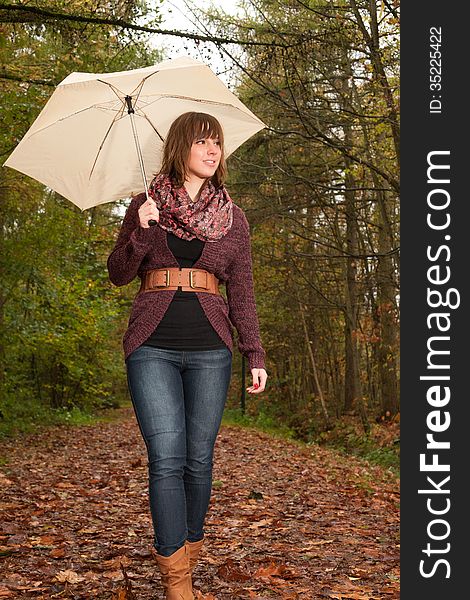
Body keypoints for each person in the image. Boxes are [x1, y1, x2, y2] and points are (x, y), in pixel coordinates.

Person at [107, 111, 267, 599]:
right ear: (180, 147)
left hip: (210, 349)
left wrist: (254, 352)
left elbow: (241, 289)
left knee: (199, 460)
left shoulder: (233, 218)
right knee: (166, 457)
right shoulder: (145, 205)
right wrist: (139, 229)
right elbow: (118, 272)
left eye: (217, 142)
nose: (213, 150)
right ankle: (178, 582)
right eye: (202, 141)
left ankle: (188, 549)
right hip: (151, 345)